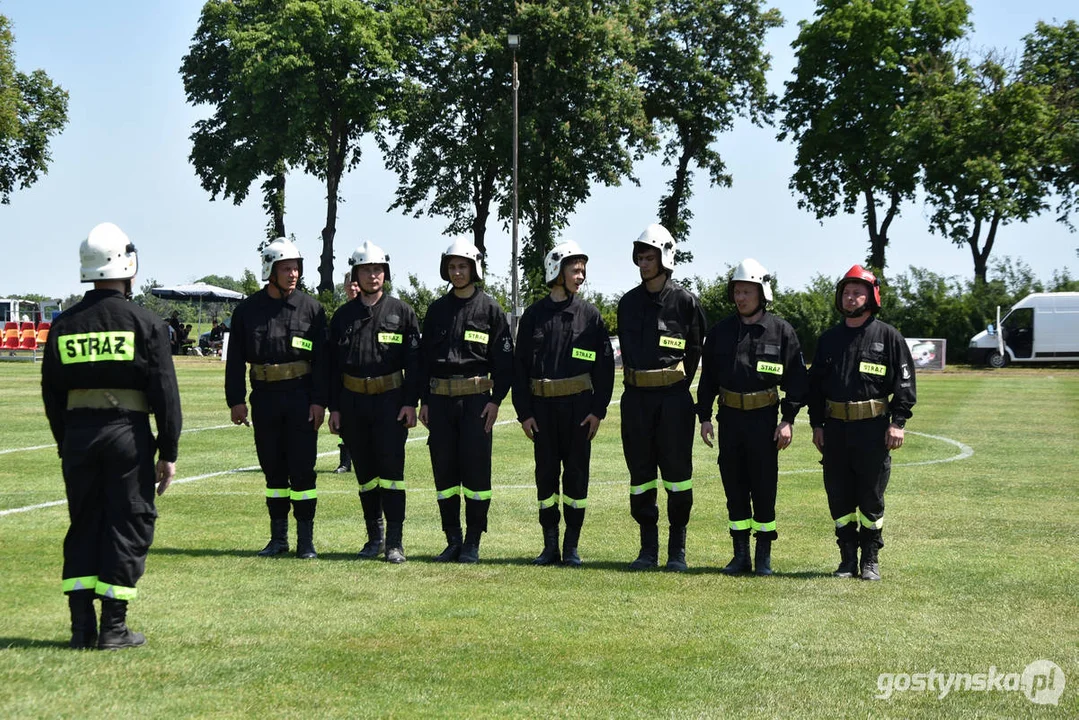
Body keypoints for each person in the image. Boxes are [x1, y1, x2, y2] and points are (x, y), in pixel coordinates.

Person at [41, 222, 182, 650]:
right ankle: (114, 628)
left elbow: (51, 393)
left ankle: (80, 627)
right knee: (129, 524)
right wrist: (168, 450)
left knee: (84, 523)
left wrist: (66, 441)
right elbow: (165, 394)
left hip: (79, 435)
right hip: (128, 436)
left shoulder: (63, 325)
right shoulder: (145, 322)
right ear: (128, 264)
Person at [697, 259, 808, 576]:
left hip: (764, 423)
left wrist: (787, 420)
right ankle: (740, 555)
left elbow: (798, 381)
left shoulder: (781, 332)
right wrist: (704, 416)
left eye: (747, 291)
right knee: (734, 487)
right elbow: (708, 382)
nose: (740, 297)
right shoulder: (720, 333)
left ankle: (763, 557)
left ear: (762, 293)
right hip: (729, 421)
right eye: (737, 291)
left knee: (763, 487)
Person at [808, 265, 916, 581]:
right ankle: (845, 560)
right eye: (846, 292)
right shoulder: (828, 340)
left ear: (871, 296)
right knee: (839, 497)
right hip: (836, 431)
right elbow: (815, 387)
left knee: (871, 498)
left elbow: (905, 384)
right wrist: (817, 424)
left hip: (873, 430)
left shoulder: (889, 337)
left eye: (858, 292)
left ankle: (870, 559)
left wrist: (898, 422)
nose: (851, 297)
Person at [512, 241, 615, 567]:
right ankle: (549, 546)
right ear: (556, 269)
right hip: (542, 412)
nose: (581, 275)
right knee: (545, 478)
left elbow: (604, 367)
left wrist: (598, 411)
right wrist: (524, 413)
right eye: (575, 269)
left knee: (575, 479)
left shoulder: (590, 317)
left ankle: (571, 547)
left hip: (579, 412)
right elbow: (519, 367)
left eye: (583, 269)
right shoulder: (533, 317)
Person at [225, 237, 328, 559]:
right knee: (273, 470)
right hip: (265, 398)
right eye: (286, 268)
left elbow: (323, 362)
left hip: (301, 397)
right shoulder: (247, 311)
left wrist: (319, 401)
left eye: (296, 267)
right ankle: (278, 539)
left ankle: (306, 541)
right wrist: (236, 400)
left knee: (303, 471)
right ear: (270, 269)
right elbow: (234, 360)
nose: (293, 273)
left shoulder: (312, 309)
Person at [617, 224, 707, 571]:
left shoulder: (685, 302)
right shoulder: (627, 303)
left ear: (665, 258)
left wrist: (677, 383)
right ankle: (647, 550)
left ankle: (677, 551)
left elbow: (696, 350)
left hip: (673, 400)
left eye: (650, 257)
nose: (644, 263)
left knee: (677, 475)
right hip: (636, 399)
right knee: (640, 474)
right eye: (640, 257)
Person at [419, 238, 513, 563]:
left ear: (474, 269)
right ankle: (453, 539)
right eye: (452, 266)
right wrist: (424, 401)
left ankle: (473, 541)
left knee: (476, 475)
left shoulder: (491, 309)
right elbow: (423, 361)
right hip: (440, 402)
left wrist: (496, 400)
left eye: (463, 266)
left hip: (476, 403)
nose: (457, 272)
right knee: (444, 475)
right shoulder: (436, 311)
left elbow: (505, 363)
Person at [328, 242, 420, 563]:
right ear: (356, 274)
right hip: (353, 404)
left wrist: (411, 403)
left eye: (377, 269)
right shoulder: (342, 317)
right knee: (366, 475)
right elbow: (330, 368)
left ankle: (395, 542)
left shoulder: (402, 312)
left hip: (391, 403)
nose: (372, 275)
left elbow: (416, 364)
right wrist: (334, 408)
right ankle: (374, 538)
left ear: (386, 273)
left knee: (392, 473)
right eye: (366, 269)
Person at [334, 272, 360, 475]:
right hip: (345, 380)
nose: (353, 289)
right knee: (345, 424)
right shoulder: (341, 316)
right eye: (349, 285)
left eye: (356, 285)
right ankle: (345, 462)